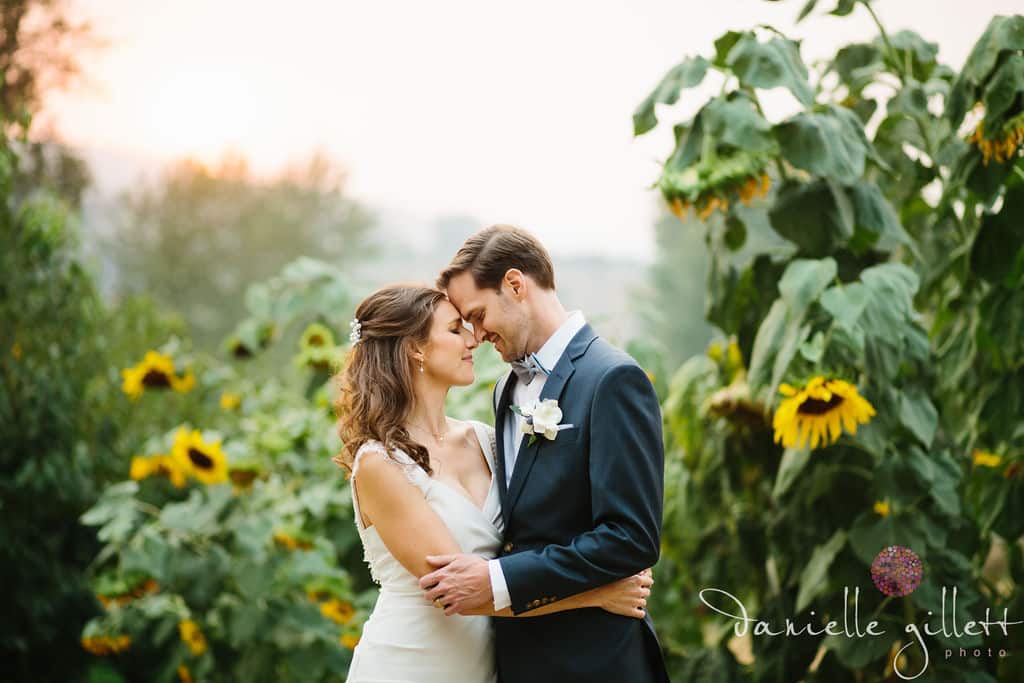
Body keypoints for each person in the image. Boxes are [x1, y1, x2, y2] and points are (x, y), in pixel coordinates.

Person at [332, 284, 654, 683]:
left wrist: (608, 551)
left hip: (489, 664)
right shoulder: (379, 464)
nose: (473, 340)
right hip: (412, 662)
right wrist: (598, 594)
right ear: (415, 348)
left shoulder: (485, 439)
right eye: (455, 330)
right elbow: (462, 592)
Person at [421, 224, 671, 683]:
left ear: (516, 285)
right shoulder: (504, 390)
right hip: (516, 662)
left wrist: (498, 580)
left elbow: (631, 537)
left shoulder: (612, 379)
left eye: (477, 315)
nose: (474, 336)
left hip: (596, 662)